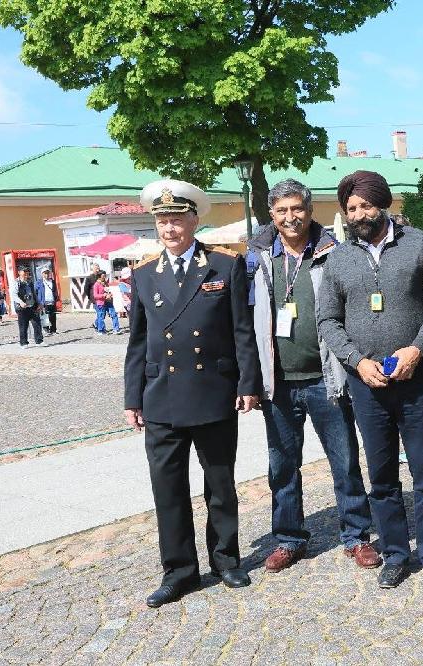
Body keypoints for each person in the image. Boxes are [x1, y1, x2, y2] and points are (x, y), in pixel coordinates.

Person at [124, 179, 260, 608]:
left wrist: (248, 383)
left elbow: (242, 331)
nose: (170, 228)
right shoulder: (144, 273)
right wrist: (132, 398)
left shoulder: (223, 265)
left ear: (194, 220)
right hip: (161, 397)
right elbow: (137, 341)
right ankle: (179, 571)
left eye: (177, 220)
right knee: (168, 490)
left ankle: (226, 560)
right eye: (163, 221)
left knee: (220, 484)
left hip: (212, 392)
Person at [316, 170, 423, 591]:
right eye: (351, 208)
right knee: (382, 476)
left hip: (415, 379)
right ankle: (395, 553)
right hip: (367, 384)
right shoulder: (338, 257)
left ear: (383, 204)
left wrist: (417, 349)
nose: (358, 214)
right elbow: (327, 319)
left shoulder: (420, 244)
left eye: (365, 205)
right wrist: (356, 362)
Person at [248, 178, 377, 573]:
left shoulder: (334, 252)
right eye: (282, 210)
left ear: (310, 210)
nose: (291, 217)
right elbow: (243, 320)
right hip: (278, 382)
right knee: (282, 466)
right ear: (272, 215)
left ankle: (356, 536)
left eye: (297, 208)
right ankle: (289, 539)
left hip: (326, 378)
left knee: (344, 460)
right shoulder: (256, 258)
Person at [13, 268, 44, 347]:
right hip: (22, 307)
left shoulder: (30, 282)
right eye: (24, 272)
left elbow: (34, 294)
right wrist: (20, 302)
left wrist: (39, 303)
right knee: (23, 326)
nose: (26, 274)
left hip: (32, 306)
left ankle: (39, 341)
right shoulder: (16, 282)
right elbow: (14, 295)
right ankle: (23, 343)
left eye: (27, 272)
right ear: (19, 272)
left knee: (37, 324)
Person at [35, 268, 59, 335]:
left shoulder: (52, 281)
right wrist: (38, 301)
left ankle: (53, 330)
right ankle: (46, 330)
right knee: (45, 316)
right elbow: (35, 292)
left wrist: (56, 297)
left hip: (52, 301)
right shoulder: (39, 282)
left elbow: (55, 290)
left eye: (48, 273)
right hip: (43, 302)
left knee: (53, 316)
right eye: (45, 273)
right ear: (42, 274)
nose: (47, 275)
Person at [83, 263, 102, 329]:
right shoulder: (89, 278)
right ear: (92, 269)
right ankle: (100, 328)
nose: (97, 270)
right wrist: (90, 296)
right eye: (96, 268)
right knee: (99, 312)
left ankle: (95, 324)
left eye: (98, 268)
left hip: (101, 297)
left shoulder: (101, 276)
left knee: (101, 313)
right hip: (94, 297)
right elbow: (86, 289)